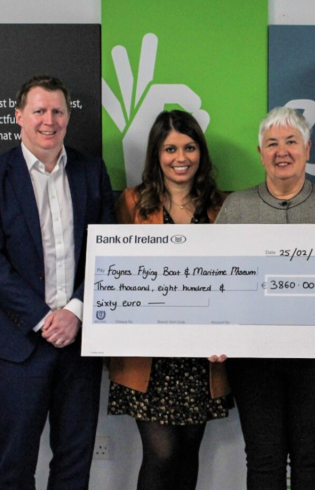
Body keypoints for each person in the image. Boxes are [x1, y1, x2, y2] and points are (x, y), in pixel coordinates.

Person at [0, 75, 115, 490]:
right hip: (18, 344)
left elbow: (107, 253)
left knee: (74, 461)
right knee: (15, 464)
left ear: (68, 117)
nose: (48, 120)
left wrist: (75, 312)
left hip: (79, 342)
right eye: (39, 111)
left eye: (57, 111)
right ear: (19, 117)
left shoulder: (91, 171)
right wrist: (43, 318)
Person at [215, 107, 315, 490]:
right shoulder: (237, 208)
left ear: (307, 147)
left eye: (290, 142)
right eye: (272, 143)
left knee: (312, 454)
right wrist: (213, 330)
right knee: (265, 457)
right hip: (253, 359)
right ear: (260, 152)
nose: (281, 151)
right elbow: (214, 279)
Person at [108, 110, 230, 490]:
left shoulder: (222, 205)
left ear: (201, 152)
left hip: (202, 355)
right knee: (160, 454)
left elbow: (235, 276)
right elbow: (113, 274)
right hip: (150, 354)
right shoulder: (130, 203)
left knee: (188, 454)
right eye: (171, 148)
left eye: (190, 147)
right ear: (156, 154)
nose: (181, 157)